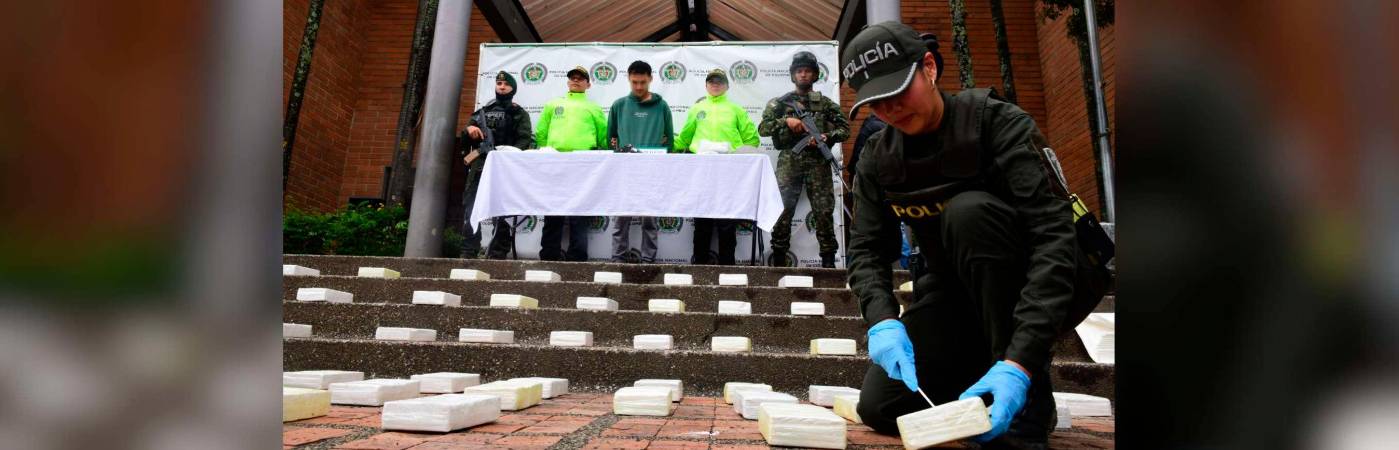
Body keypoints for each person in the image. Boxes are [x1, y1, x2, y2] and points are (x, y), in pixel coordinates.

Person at [843, 22, 1099, 448]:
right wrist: (883, 321)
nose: (890, 110)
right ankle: (981, 381)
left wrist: (1020, 363)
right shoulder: (878, 158)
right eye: (876, 104)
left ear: (928, 68)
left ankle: (1026, 395)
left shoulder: (998, 125)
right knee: (882, 407)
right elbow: (867, 250)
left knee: (968, 212)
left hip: (1039, 282)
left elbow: (1054, 242)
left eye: (896, 93)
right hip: (956, 291)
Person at [758, 51, 850, 268]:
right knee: (783, 209)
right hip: (790, 160)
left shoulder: (825, 104)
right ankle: (779, 257)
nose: (803, 75)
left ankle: (828, 260)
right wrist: (786, 121)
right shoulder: (780, 103)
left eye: (808, 71)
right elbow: (762, 129)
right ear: (793, 75)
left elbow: (844, 130)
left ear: (815, 75)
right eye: (799, 71)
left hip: (818, 161)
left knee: (824, 210)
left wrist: (827, 137)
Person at [674, 69, 760, 265]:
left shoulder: (736, 109)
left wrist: (733, 153)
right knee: (702, 220)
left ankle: (728, 266)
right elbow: (684, 139)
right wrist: (664, 143)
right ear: (706, 85)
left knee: (727, 222)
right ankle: (699, 266)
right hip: (701, 172)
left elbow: (752, 140)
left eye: (719, 81)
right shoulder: (697, 109)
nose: (715, 84)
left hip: (729, 173)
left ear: (727, 86)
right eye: (711, 81)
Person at [534, 66, 607, 261]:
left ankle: (578, 256)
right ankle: (549, 254)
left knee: (580, 212)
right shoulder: (553, 104)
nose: (575, 81)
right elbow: (541, 133)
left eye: (580, 79)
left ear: (588, 84)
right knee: (552, 210)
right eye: (572, 78)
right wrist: (546, 154)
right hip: (555, 163)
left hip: (583, 165)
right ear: (567, 82)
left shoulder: (594, 108)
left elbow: (603, 138)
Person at [459, 71, 534, 259]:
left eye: (506, 84)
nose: (502, 86)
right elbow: (464, 140)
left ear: (513, 88)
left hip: (504, 168)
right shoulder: (482, 112)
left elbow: (524, 140)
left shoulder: (518, 113)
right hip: (480, 167)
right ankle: (468, 251)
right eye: (499, 83)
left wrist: (507, 155)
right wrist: (469, 130)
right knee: (471, 209)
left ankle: (498, 253)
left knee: (503, 211)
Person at [607, 61, 674, 263]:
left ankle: (648, 261)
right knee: (621, 219)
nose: (638, 87)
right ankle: (617, 259)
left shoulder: (662, 106)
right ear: (628, 78)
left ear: (651, 79)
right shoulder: (619, 105)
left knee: (650, 220)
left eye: (643, 82)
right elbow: (610, 138)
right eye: (635, 82)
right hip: (624, 171)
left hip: (652, 171)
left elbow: (669, 140)